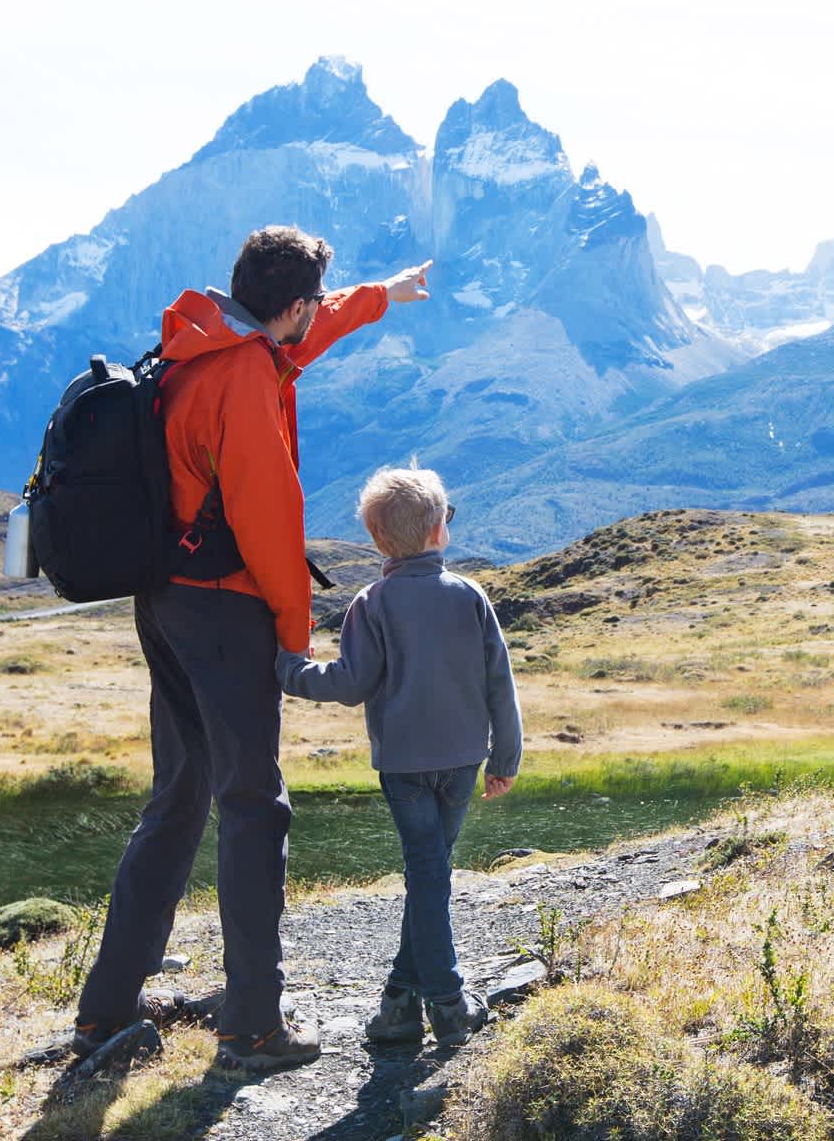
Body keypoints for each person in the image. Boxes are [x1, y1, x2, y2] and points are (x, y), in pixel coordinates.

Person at [72, 226, 434, 1072]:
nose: (316, 318)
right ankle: (252, 1028)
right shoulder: (243, 374)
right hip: (223, 611)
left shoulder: (198, 346)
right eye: (314, 306)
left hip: (161, 598)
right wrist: (291, 635)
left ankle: (105, 1013)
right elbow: (271, 522)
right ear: (292, 307)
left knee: (180, 797)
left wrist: (383, 295)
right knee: (253, 806)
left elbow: (318, 327)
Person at [274, 459, 523, 1049]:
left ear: (377, 538)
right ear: (440, 530)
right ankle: (425, 1004)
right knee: (431, 875)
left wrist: (286, 669)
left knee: (428, 875)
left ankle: (422, 1005)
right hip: (466, 761)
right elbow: (499, 685)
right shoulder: (470, 596)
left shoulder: (372, 603)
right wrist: (505, 757)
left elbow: (350, 683)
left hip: (404, 768)